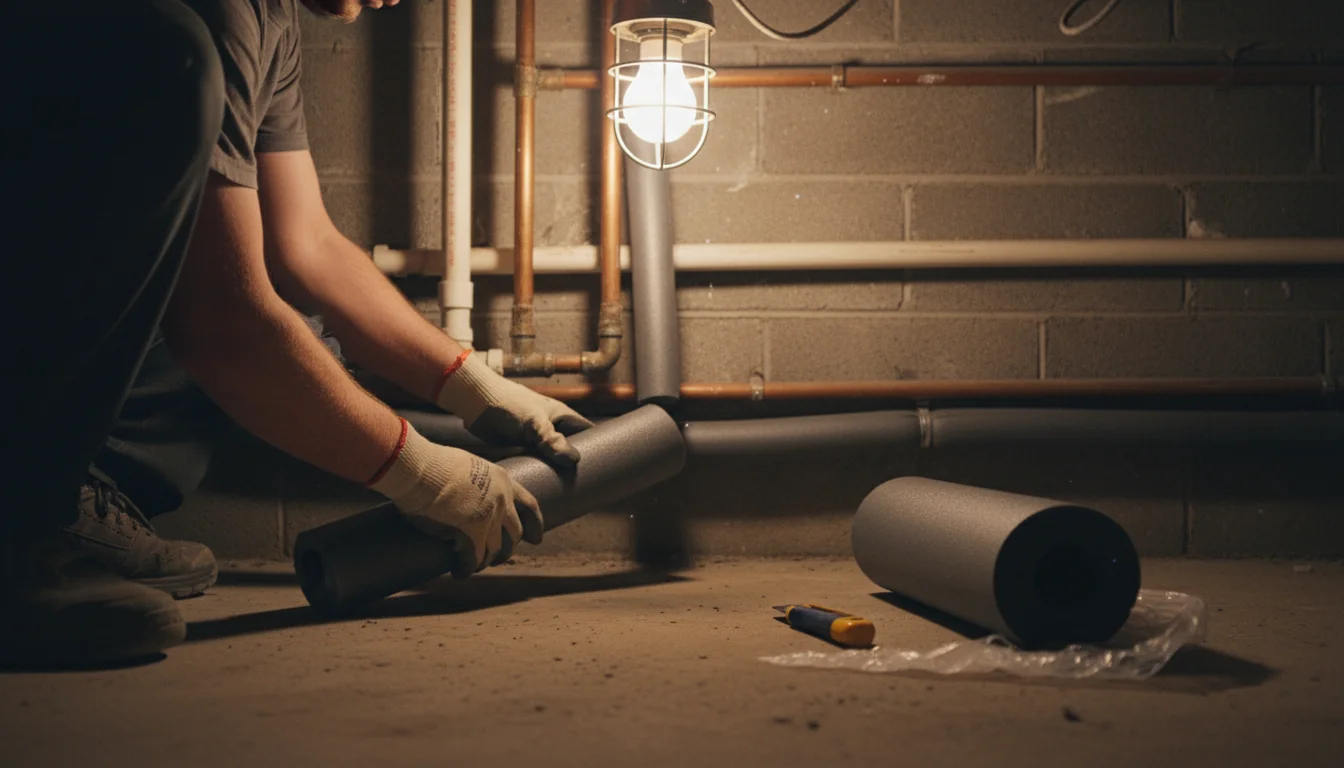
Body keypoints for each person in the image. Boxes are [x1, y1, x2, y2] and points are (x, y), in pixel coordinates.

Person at [2, 0, 589, 667]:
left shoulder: (266, 19)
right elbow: (223, 324)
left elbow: (306, 244)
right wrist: (428, 478)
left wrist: (473, 386)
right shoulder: (206, 23)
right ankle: (15, 536)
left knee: (299, 334)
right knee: (171, 62)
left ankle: (65, 497)